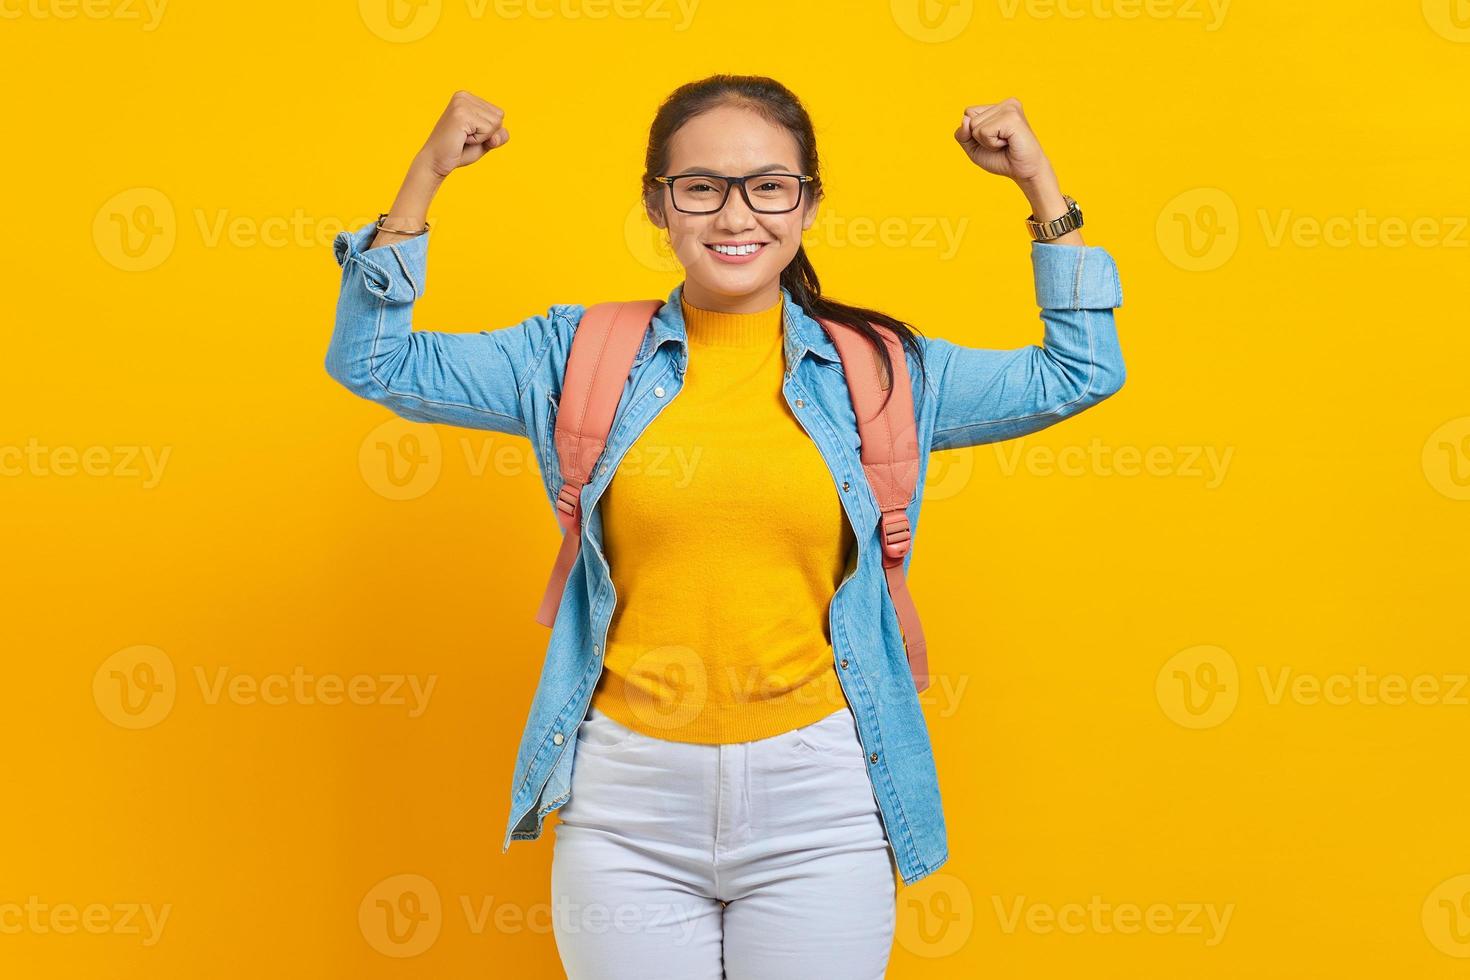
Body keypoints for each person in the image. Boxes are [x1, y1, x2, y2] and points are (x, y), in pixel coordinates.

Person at [326, 75, 1124, 979]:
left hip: (819, 799)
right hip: (627, 805)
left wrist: (1041, 192)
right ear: (658, 206)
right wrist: (424, 179)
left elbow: (1080, 372)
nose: (734, 214)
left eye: (768, 185)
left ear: (808, 204)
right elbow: (374, 358)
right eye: (700, 186)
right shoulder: (574, 354)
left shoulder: (881, 370)